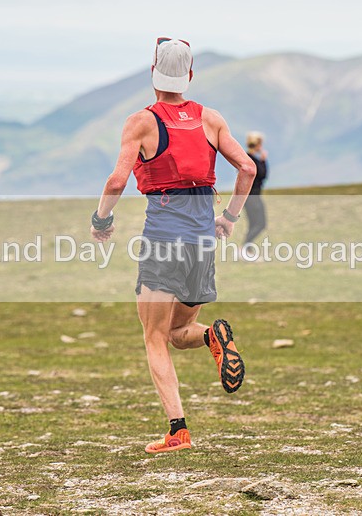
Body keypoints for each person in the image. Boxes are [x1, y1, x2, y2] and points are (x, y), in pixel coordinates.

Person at [90, 37, 257, 454]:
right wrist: (230, 218)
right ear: (190, 76)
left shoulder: (142, 122)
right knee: (179, 330)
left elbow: (116, 180)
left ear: (153, 74)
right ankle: (213, 336)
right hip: (203, 242)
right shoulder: (211, 119)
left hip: (163, 242)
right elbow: (248, 167)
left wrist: (101, 219)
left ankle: (177, 431)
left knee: (153, 336)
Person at [242, 131, 268, 260]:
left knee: (254, 224)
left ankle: (248, 250)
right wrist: (263, 161)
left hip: (249, 197)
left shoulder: (246, 158)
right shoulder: (254, 160)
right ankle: (244, 249)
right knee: (260, 224)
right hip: (253, 197)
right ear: (257, 144)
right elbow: (262, 175)